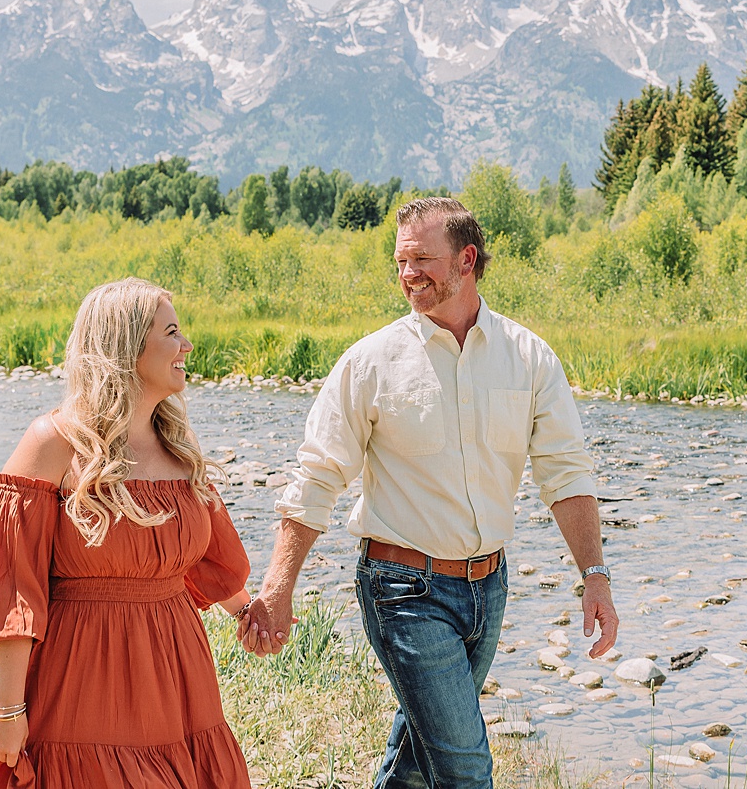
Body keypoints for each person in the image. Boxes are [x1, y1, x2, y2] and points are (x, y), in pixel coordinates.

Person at [240, 197, 619, 788]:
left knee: (418, 763)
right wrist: (277, 587)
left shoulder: (529, 359)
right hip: (402, 589)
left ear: (467, 259)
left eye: (422, 259)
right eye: (400, 260)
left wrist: (595, 574)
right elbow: (318, 475)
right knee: (465, 769)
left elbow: (566, 475)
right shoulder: (371, 362)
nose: (408, 273)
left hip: (488, 589)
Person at [0, 278, 254, 789]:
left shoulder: (178, 447)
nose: (186, 346)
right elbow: (16, 590)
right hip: (80, 676)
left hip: (174, 674)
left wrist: (251, 613)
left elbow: (199, 558)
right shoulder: (53, 443)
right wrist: (9, 709)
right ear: (126, 348)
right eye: (171, 332)